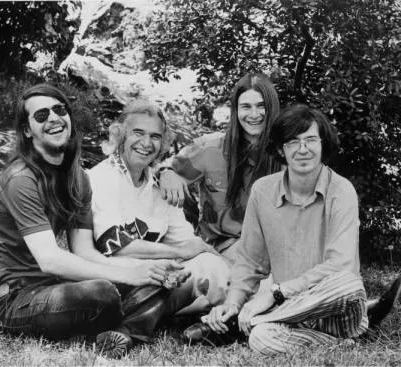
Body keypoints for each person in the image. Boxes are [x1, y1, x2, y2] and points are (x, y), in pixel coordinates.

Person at [0, 84, 185, 349]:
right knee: (102, 292)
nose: (53, 118)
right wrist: (131, 276)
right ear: (27, 131)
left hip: (54, 289)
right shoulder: (20, 180)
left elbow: (85, 252)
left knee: (159, 282)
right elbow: (50, 260)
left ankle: (120, 334)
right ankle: (126, 324)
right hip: (11, 300)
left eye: (59, 110)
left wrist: (144, 270)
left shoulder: (78, 178)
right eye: (41, 115)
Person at [187, 104, 401, 355]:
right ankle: (338, 342)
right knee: (261, 339)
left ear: (323, 145)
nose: (303, 149)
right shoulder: (263, 191)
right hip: (291, 314)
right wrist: (233, 303)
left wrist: (276, 294)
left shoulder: (341, 191)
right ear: (280, 149)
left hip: (334, 306)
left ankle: (252, 322)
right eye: (292, 142)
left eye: (311, 140)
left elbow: (340, 266)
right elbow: (249, 261)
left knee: (348, 282)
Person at [77, 100, 233, 356]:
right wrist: (176, 255)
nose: (146, 143)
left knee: (210, 265)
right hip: (113, 276)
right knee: (166, 274)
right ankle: (131, 330)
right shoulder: (100, 178)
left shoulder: (160, 185)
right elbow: (116, 245)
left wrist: (214, 260)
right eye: (138, 133)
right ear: (119, 135)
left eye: (155, 136)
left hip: (157, 277)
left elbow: (189, 243)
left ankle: (221, 317)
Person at [158, 72, 282, 257]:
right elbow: (165, 169)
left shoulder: (286, 153)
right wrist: (166, 173)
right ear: (236, 110)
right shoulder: (210, 148)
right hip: (220, 248)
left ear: (271, 108)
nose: (254, 114)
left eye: (261, 106)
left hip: (273, 247)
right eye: (246, 107)